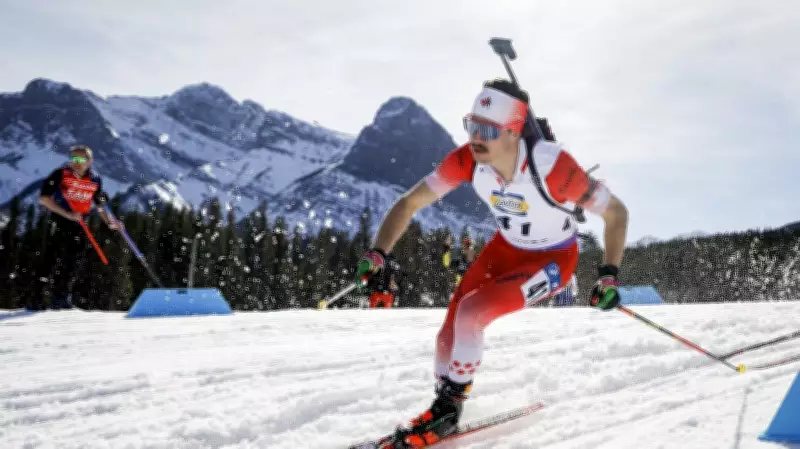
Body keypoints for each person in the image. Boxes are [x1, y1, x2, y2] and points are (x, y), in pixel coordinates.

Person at [353, 78, 629, 448]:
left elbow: (616, 213)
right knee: (448, 332)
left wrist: (609, 275)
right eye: (472, 126)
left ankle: (448, 411)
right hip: (504, 248)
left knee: (472, 313)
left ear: (514, 133)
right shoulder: (467, 160)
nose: (475, 138)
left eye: (487, 130)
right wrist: (378, 253)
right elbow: (409, 203)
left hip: (553, 259)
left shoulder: (553, 167)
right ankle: (444, 402)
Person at [35, 145, 121, 310]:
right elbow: (44, 199)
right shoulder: (60, 174)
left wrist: (111, 222)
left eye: (82, 159)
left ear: (90, 161)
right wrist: (67, 214)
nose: (77, 162)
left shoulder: (95, 179)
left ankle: (60, 297)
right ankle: (37, 297)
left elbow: (99, 205)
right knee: (51, 258)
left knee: (72, 261)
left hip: (80, 224)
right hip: (59, 221)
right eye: (74, 158)